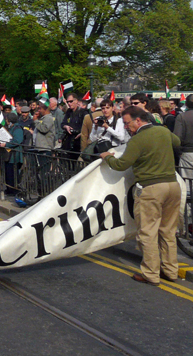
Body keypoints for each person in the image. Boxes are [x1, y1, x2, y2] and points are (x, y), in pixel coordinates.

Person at [100, 106, 181, 286]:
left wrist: (107, 157)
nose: (127, 127)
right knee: (168, 231)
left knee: (147, 232)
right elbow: (176, 142)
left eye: (128, 123)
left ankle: (151, 274)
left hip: (150, 188)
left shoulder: (137, 140)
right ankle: (170, 270)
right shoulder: (162, 131)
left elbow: (121, 164)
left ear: (138, 120)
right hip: (173, 186)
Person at [0, 112, 24, 195]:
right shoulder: (11, 128)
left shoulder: (17, 128)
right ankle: (9, 189)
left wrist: (6, 144)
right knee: (8, 172)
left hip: (14, 155)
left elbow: (17, 141)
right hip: (9, 155)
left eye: (7, 120)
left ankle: (13, 189)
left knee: (13, 173)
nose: (6, 122)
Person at [61, 93, 89, 159]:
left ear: (76, 101)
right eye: (68, 102)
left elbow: (87, 126)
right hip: (68, 142)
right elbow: (62, 124)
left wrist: (81, 133)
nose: (69, 103)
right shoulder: (68, 112)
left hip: (78, 142)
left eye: (71, 101)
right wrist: (66, 126)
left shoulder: (83, 112)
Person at [173, 95, 193, 178]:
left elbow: (177, 138)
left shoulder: (182, 116)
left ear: (187, 104)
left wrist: (179, 152)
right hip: (187, 151)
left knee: (189, 184)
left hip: (188, 153)